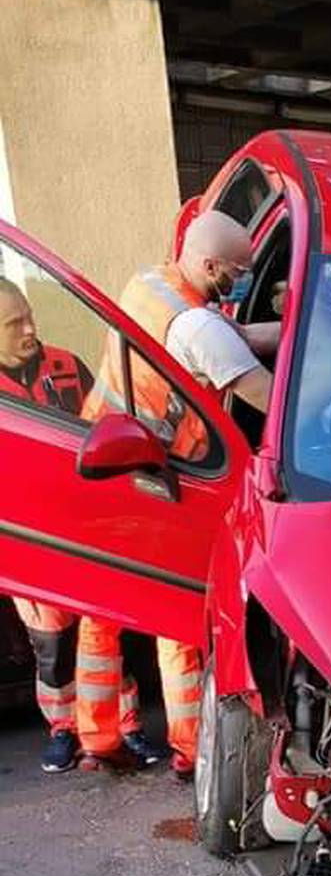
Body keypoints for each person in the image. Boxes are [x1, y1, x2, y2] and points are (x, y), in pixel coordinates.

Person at [76, 210, 279, 776]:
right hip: (155, 478)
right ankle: (191, 751)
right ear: (211, 265)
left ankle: (98, 739)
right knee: (177, 615)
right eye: (238, 271)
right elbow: (268, 400)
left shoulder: (151, 284)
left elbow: (231, 334)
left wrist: (300, 330)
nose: (244, 279)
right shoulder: (196, 328)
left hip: (101, 451)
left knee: (101, 611)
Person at [0, 277, 158, 772]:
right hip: (30, 537)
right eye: (13, 323)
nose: (30, 329)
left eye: (29, 316)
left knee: (105, 634)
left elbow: (108, 428)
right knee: (51, 644)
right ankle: (63, 728)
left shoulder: (66, 366)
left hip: (88, 528)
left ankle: (125, 727)